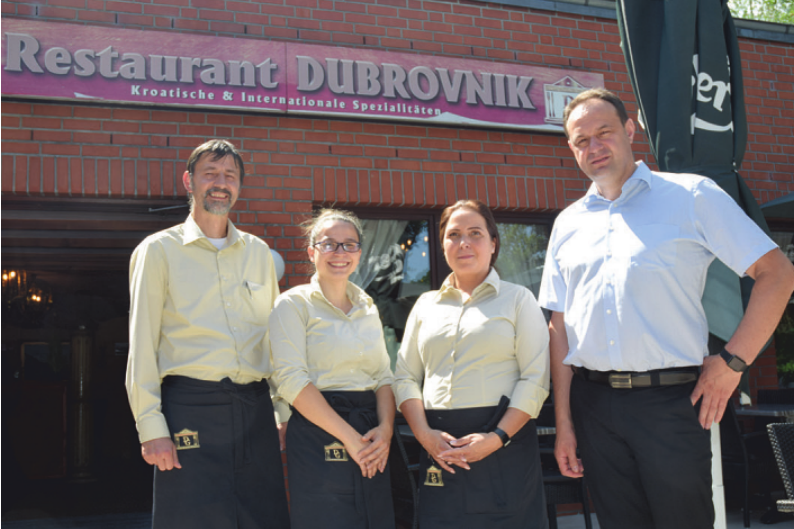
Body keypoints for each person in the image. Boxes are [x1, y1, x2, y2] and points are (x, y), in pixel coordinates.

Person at [538, 88, 794, 529]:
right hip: (594, 405)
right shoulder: (568, 223)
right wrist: (564, 422)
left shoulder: (691, 196)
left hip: (671, 403)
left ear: (630, 130)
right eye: (582, 140)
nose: (594, 147)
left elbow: (778, 274)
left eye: (604, 132)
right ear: (571, 149)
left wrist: (734, 362)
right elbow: (559, 326)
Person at [125, 139, 290, 529]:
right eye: (210, 174)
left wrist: (282, 409)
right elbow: (142, 344)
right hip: (190, 409)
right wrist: (151, 428)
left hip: (254, 411)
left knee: (263, 518)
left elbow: (275, 339)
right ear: (189, 181)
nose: (220, 183)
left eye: (229, 176)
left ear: (239, 186)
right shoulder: (158, 251)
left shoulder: (259, 252)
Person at [394, 199, 550, 529]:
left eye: (475, 233)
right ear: (442, 245)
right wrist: (424, 435)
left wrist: (496, 437)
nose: (464, 242)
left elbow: (535, 379)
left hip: (502, 440)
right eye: (454, 234)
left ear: (493, 243)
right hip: (438, 446)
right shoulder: (424, 305)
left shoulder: (519, 299)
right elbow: (405, 377)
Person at [269, 209, 396, 529]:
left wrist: (386, 431)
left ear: (359, 254)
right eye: (329, 244)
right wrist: (351, 441)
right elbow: (291, 381)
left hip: (370, 433)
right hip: (319, 432)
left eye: (349, 244)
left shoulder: (368, 306)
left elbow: (383, 376)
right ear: (312, 252)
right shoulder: (292, 304)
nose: (340, 253)